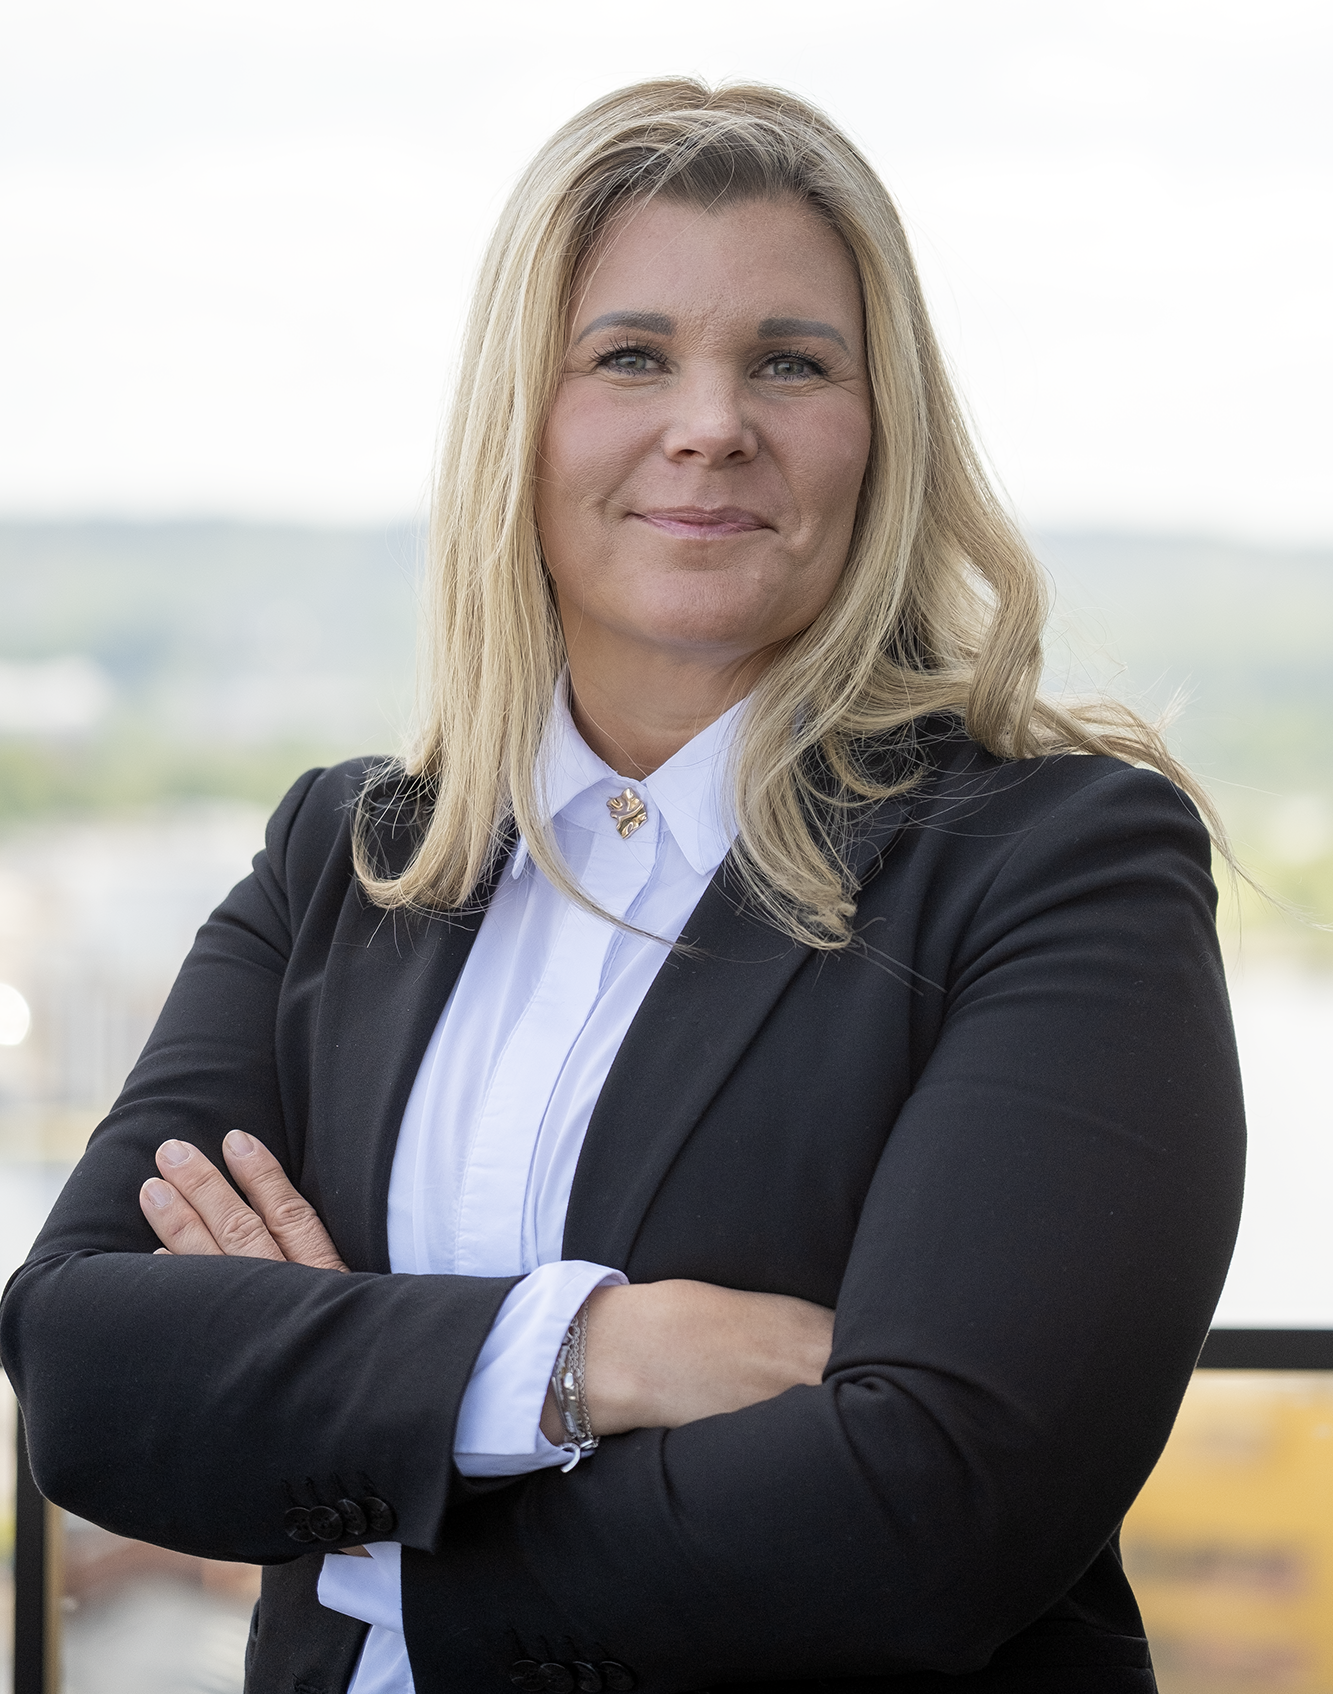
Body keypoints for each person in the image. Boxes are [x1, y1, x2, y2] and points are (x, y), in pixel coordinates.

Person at [1, 79, 1245, 1694]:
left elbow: (930, 1515)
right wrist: (595, 1353)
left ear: (883, 433)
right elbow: (88, 1365)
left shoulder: (1063, 866)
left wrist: (364, 1451)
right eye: (631, 355)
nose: (711, 422)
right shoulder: (350, 860)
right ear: (522, 420)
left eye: (790, 361)